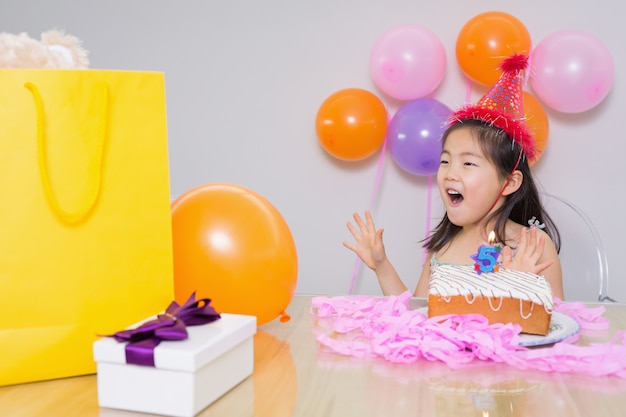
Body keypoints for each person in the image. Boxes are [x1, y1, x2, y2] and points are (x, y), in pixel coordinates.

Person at [343, 54, 564, 300]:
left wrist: (520, 284)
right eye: (445, 161)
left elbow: (555, 325)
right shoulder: (443, 246)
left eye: (468, 163)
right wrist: (381, 265)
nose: (450, 173)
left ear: (509, 183)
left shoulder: (533, 246)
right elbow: (416, 317)